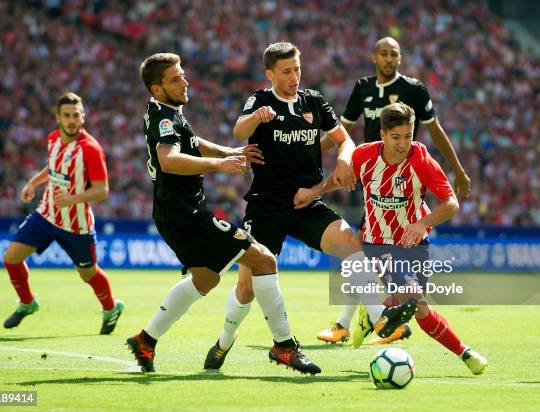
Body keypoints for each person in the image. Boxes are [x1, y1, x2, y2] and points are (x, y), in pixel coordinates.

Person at [203, 42, 416, 371]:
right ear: (270, 73)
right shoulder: (260, 100)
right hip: (267, 207)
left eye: (297, 69)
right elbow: (239, 129)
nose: (294, 77)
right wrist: (256, 118)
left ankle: (380, 318)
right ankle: (223, 342)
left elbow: (345, 140)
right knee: (246, 288)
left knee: (349, 242)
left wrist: (345, 160)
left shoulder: (313, 101)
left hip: (307, 203)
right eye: (286, 71)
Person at [125, 52, 321, 375]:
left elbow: (191, 142)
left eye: (183, 74)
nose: (185, 81)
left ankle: (145, 340)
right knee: (264, 260)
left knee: (206, 279)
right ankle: (284, 347)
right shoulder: (164, 117)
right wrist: (220, 164)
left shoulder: (166, 112)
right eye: (175, 79)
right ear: (158, 90)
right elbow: (169, 159)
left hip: (174, 215)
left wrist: (227, 151)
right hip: (188, 216)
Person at [311, 102, 488, 374]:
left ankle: (457, 349)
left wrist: (422, 224)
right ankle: (380, 316)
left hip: (412, 243)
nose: (403, 143)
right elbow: (339, 179)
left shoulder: (420, 159)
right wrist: (315, 192)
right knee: (411, 294)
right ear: (382, 135)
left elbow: (451, 203)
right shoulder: (364, 156)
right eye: (396, 137)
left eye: (408, 135)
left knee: (419, 308)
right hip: (375, 242)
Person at [318, 36, 472, 345]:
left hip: (404, 178)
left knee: (365, 251)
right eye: (384, 54)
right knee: (360, 249)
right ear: (374, 57)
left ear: (399, 59)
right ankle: (355, 320)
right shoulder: (362, 88)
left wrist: (457, 169)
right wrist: (308, 158)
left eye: (394, 54)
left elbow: (435, 131)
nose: (389, 59)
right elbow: (341, 133)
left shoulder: (414, 90)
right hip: (372, 176)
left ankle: (356, 320)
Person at [2, 92, 124, 335]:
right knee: (11, 257)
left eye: (76, 115)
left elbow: (102, 191)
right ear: (57, 116)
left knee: (87, 274)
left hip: (76, 225)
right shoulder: (53, 139)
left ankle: (111, 308)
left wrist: (72, 199)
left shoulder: (91, 149)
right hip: (46, 214)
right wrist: (33, 183)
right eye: (67, 115)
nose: (72, 120)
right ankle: (27, 303)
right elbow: (54, 167)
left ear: (83, 117)